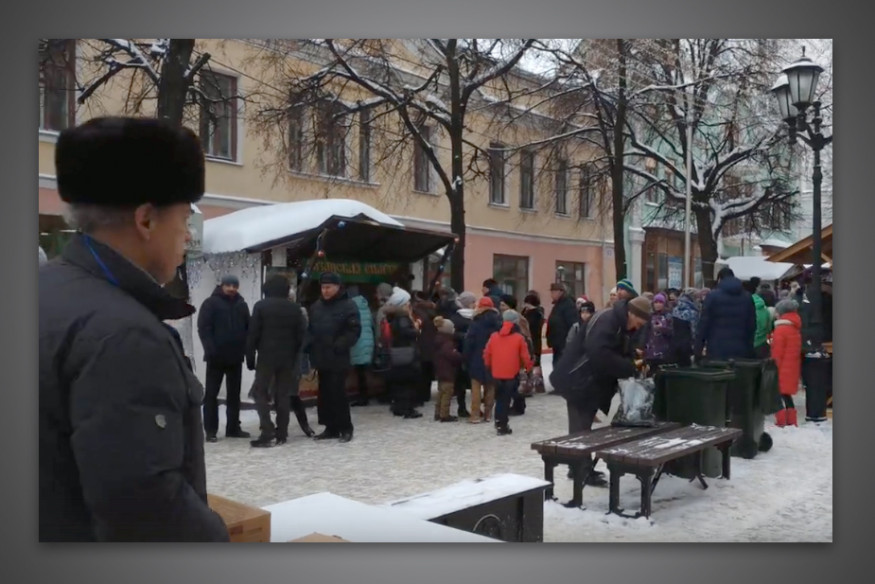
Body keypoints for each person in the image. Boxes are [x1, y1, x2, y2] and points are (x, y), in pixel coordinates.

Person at [39, 116, 229, 541]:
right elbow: (146, 509)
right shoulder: (125, 335)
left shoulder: (44, 288)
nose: (187, 236)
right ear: (146, 220)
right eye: (184, 218)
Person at [550, 297, 651, 486]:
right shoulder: (608, 320)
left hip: (587, 381)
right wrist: (627, 366)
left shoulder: (619, 322)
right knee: (580, 429)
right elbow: (599, 353)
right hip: (577, 379)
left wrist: (631, 356)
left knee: (583, 426)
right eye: (638, 323)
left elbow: (614, 349)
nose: (637, 328)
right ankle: (579, 470)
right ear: (631, 313)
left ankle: (581, 468)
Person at [245, 274, 309, 447]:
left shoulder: (261, 306)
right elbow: (302, 336)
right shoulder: (294, 309)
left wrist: (250, 357)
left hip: (266, 357)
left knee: (260, 392)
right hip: (288, 358)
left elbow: (253, 334)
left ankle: (267, 430)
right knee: (283, 395)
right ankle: (282, 432)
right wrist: (296, 356)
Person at [307, 272, 362, 443]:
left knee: (338, 393)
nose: (325, 290)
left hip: (338, 357)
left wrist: (341, 343)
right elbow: (311, 330)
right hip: (321, 356)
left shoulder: (348, 305)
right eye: (323, 287)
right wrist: (308, 345)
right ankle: (330, 427)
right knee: (324, 395)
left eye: (329, 287)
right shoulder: (316, 306)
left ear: (338, 287)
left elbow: (354, 330)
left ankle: (345, 428)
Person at [197, 274, 251, 442]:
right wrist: (210, 349)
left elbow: (248, 328)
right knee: (211, 395)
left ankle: (233, 427)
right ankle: (211, 430)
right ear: (222, 286)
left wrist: (246, 349)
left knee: (234, 395)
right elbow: (204, 328)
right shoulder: (210, 303)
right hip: (216, 357)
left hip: (236, 356)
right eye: (228, 285)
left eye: (234, 286)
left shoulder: (241, 304)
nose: (232, 289)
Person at [484, 310, 534, 435]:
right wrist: (528, 368)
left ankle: (498, 421)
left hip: (496, 373)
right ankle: (502, 424)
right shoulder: (519, 338)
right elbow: (525, 357)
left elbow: (487, 354)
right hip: (511, 373)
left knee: (500, 398)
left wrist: (489, 367)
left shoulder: (494, 336)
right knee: (506, 399)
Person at [695, 267, 756, 361]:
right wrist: (750, 348)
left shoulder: (712, 296)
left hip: (716, 348)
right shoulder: (747, 297)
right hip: (741, 348)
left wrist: (698, 350)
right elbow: (751, 325)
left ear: (719, 279)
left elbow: (704, 324)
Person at [382, 287, 423, 419]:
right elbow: (407, 333)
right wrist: (416, 329)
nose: (409, 304)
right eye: (407, 302)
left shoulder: (393, 317)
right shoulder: (403, 318)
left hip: (398, 351)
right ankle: (407, 409)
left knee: (400, 382)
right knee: (408, 381)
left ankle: (399, 407)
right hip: (406, 351)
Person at [463, 297, 502, 423]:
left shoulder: (475, 322)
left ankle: (475, 415)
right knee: (490, 386)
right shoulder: (498, 322)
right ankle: (488, 414)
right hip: (493, 357)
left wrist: (466, 357)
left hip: (476, 356)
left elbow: (469, 342)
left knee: (476, 387)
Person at [771, 299, 802, 427]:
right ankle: (791, 420)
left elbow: (777, 352)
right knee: (786, 395)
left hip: (782, 368)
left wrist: (773, 366)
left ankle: (781, 420)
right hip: (792, 367)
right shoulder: (794, 327)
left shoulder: (781, 329)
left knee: (777, 395)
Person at [502, 309, 534, 416]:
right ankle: (519, 406)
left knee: (513, 386)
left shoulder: (503, 334)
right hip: (519, 364)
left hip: (510, 364)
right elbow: (528, 350)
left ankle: (517, 406)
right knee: (519, 385)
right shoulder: (521, 333)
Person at [348, 285, 375, 407]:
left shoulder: (351, 307)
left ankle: (362, 397)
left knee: (360, 372)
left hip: (358, 342)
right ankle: (365, 395)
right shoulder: (366, 306)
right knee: (363, 371)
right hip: (368, 341)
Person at [433, 316, 463, 422]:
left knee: (441, 393)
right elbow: (452, 355)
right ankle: (444, 415)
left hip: (440, 370)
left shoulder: (438, 339)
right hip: (448, 371)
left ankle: (438, 412)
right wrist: (459, 356)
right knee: (447, 393)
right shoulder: (448, 343)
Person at [412, 291, 438, 405]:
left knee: (421, 371)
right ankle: (426, 394)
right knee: (428, 370)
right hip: (432, 344)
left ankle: (421, 396)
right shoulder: (434, 309)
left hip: (421, 344)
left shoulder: (417, 310)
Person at [545, 282, 578, 372]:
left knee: (562, 367)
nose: (551, 294)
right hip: (557, 343)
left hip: (564, 344)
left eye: (553, 292)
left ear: (560, 292)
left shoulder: (568, 305)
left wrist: (569, 342)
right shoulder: (558, 305)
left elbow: (573, 325)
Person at [522, 291, 546, 393]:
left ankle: (535, 384)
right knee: (532, 362)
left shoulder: (535, 314)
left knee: (534, 361)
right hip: (532, 340)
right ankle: (534, 384)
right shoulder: (529, 312)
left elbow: (531, 327)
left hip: (533, 340)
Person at [643, 293, 674, 371]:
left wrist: (662, 329)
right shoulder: (650, 316)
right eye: (656, 302)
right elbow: (645, 332)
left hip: (664, 351)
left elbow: (672, 332)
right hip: (650, 351)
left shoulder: (668, 316)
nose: (658, 305)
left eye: (660, 302)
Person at [670, 288, 700, 367]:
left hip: (675, 343)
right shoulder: (692, 312)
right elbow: (694, 330)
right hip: (687, 345)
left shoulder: (675, 309)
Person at [752, 285, 774, 359]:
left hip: (749, 343)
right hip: (762, 342)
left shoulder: (746, 308)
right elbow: (769, 328)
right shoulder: (766, 311)